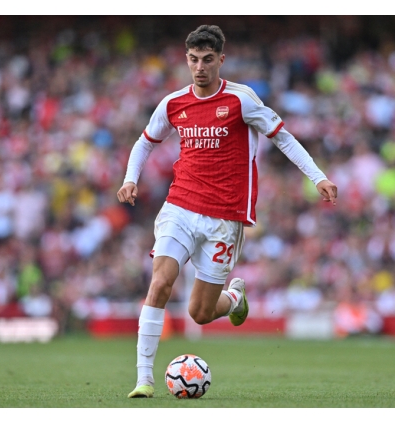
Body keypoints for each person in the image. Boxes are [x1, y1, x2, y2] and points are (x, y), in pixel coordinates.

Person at [117, 25, 338, 398]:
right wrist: (129, 179)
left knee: (200, 313)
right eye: (193, 60)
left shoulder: (241, 100)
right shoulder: (173, 103)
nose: (199, 67)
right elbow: (144, 143)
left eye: (207, 60)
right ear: (186, 60)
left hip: (225, 216)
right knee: (159, 283)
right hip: (181, 206)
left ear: (221, 59)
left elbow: (281, 136)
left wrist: (317, 177)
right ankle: (144, 379)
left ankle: (233, 299)